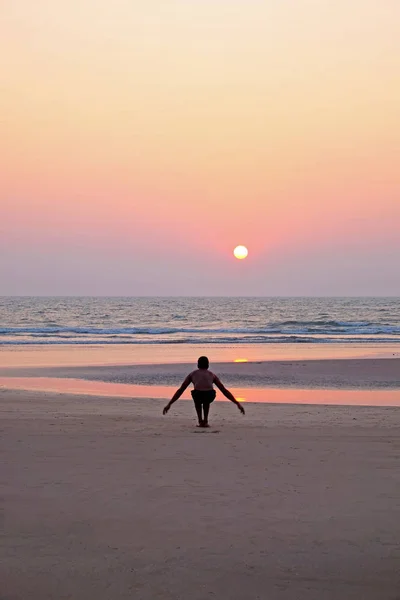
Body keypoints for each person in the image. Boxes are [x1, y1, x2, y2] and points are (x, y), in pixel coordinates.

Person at [163, 356, 245, 427]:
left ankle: (200, 421)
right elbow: (224, 390)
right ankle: (205, 421)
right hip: (209, 395)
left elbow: (181, 390)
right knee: (206, 399)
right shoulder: (212, 374)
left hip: (199, 395)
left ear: (198, 365)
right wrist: (237, 403)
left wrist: (169, 404)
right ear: (208, 365)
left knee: (198, 399)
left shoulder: (192, 374)